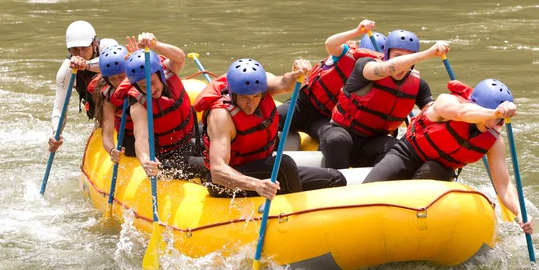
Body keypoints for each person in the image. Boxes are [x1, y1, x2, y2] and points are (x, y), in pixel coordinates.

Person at [363, 78, 534, 233]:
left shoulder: (494, 143)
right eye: (491, 116)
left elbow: (503, 184)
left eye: (499, 120)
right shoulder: (447, 102)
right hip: (408, 153)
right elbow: (461, 113)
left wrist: (520, 212)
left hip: (441, 170)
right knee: (367, 192)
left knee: (433, 170)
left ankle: (407, 226)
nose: (494, 123)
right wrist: (495, 113)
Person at [193, 58, 346, 199]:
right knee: (283, 165)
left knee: (335, 178)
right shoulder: (221, 116)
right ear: (233, 94)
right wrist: (257, 185)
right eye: (244, 98)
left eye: (256, 97)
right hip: (227, 183)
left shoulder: (262, 86)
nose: (251, 103)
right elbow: (218, 172)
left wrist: (297, 73)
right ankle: (294, 216)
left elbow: (286, 83)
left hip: (261, 168)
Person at [319, 30, 450, 169]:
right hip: (342, 132)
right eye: (397, 56)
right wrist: (428, 53)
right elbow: (386, 69)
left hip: (373, 142)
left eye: (409, 58)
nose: (403, 63)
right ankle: (333, 180)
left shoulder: (419, 85)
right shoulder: (366, 66)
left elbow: (433, 112)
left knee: (396, 148)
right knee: (338, 140)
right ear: (386, 55)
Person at [110, 33, 204, 180]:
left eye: (152, 83)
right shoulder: (138, 105)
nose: (150, 90)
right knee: (207, 166)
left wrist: (154, 44)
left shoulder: (168, 71)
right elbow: (141, 140)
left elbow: (180, 57)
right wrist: (146, 160)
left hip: (190, 140)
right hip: (168, 157)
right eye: (143, 86)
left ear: (160, 75)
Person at [277, 20, 384, 144]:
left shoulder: (378, 77)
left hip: (327, 119)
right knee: (270, 121)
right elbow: (330, 44)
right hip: (303, 105)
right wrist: (356, 31)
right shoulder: (345, 53)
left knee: (333, 139)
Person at [48, 20, 117, 153]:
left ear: (94, 44)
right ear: (69, 49)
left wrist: (86, 65)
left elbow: (113, 62)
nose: (80, 54)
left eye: (84, 48)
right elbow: (59, 108)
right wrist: (56, 133)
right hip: (102, 114)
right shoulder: (66, 72)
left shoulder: (108, 47)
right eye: (75, 50)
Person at [87, 44, 135, 163]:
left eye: (121, 75)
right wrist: (111, 150)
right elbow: (107, 134)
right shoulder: (109, 97)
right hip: (130, 138)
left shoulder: (143, 82)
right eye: (112, 78)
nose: (118, 82)